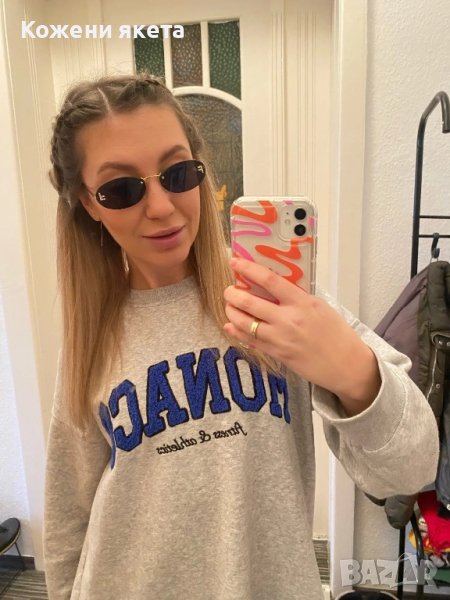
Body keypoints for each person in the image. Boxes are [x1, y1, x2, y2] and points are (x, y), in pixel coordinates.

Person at [42, 71, 439, 600]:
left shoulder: (275, 300)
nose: (160, 206)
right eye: (121, 189)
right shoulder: (92, 339)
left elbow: (411, 468)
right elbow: (69, 520)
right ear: (89, 203)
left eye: (177, 173)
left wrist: (353, 372)